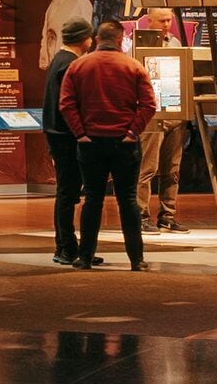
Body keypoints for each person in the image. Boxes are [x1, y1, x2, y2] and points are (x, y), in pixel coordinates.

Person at [56, 20, 159, 269]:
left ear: (97, 38)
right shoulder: (133, 66)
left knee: (93, 200)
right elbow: (148, 105)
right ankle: (136, 259)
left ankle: (85, 257)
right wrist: (133, 132)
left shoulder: (78, 66)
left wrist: (80, 133)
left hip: (90, 143)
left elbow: (66, 104)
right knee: (128, 200)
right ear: (121, 39)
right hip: (125, 144)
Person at [38, 17, 93, 266]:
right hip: (67, 137)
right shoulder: (70, 64)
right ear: (84, 39)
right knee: (67, 194)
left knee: (66, 193)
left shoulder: (59, 60)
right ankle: (66, 248)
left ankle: (67, 246)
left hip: (58, 134)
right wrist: (82, 133)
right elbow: (69, 105)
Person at [130, 23, 189, 233]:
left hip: (174, 113)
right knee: (147, 168)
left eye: (168, 20)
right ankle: (140, 215)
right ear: (150, 21)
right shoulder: (135, 46)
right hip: (150, 116)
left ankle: (167, 216)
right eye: (162, 20)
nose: (166, 24)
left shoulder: (175, 43)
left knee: (172, 169)